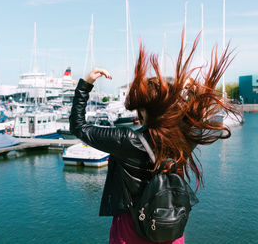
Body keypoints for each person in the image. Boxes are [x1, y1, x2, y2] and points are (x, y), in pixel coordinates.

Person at [69, 33, 240, 244]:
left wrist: (85, 84)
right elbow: (200, 115)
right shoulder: (182, 138)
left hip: (132, 228)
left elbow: (78, 127)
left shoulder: (127, 139)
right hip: (169, 227)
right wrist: (190, 88)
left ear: (142, 109)